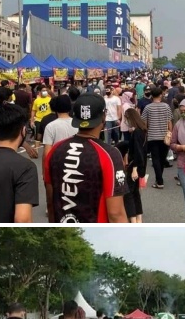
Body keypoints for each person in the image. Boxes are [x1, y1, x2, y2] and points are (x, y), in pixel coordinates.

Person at [44, 93, 129, 223]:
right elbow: (116, 213)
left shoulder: (55, 150)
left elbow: (51, 202)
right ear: (104, 116)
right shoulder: (110, 154)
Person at [119, 108, 148, 223]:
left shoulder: (136, 133)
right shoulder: (143, 130)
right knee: (135, 193)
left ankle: (133, 219)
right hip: (141, 165)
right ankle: (139, 218)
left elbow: (137, 151)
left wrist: (134, 168)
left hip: (134, 165)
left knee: (129, 193)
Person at [142, 87, 173, 189]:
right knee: (162, 159)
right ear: (160, 95)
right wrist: (170, 132)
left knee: (155, 158)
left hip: (152, 136)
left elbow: (144, 123)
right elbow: (169, 122)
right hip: (164, 136)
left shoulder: (148, 107)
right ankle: (159, 179)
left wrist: (146, 132)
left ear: (151, 95)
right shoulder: (166, 106)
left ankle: (159, 181)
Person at [30, 85, 53, 150]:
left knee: (49, 136)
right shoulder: (36, 100)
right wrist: (32, 120)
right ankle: (36, 149)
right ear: (39, 92)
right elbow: (33, 111)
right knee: (38, 136)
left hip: (48, 120)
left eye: (46, 90)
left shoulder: (50, 99)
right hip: (39, 120)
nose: (45, 92)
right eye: (43, 90)